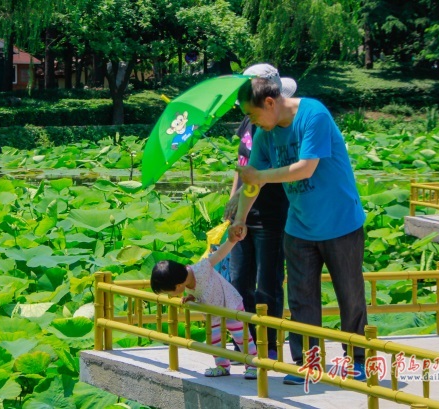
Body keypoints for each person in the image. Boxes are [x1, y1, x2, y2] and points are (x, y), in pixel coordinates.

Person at [231, 64, 368, 385]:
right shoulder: (264, 135)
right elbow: (252, 182)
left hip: (341, 223)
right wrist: (239, 219)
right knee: (302, 299)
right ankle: (309, 363)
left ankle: (358, 359)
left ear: (270, 103)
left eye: (252, 115)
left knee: (350, 296)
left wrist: (261, 176)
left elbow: (305, 168)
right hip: (300, 227)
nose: (250, 123)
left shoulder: (313, 115)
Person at [222, 64, 292, 362]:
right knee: (239, 280)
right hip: (244, 214)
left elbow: (263, 171)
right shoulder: (248, 122)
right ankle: (245, 343)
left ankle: (270, 345)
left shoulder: (278, 127)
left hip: (272, 214)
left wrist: (243, 192)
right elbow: (242, 166)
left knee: (268, 283)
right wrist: (233, 202)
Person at [151, 224, 259, 380]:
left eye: (169, 292)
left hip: (230, 304)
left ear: (178, 285)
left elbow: (219, 255)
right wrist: (192, 297)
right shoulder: (185, 283)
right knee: (214, 339)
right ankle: (222, 366)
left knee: (242, 337)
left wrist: (231, 240)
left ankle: (253, 366)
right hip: (213, 312)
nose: (170, 296)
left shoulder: (201, 268)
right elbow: (201, 290)